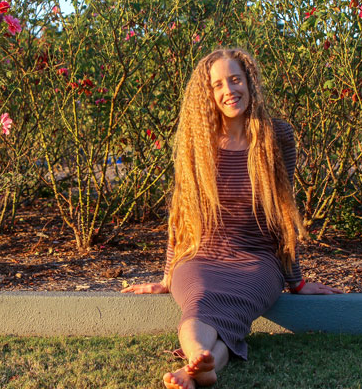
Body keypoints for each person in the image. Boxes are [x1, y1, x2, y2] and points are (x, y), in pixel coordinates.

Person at [121, 48, 342, 389]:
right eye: (218, 84)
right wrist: (167, 277)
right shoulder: (196, 143)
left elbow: (285, 212)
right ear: (207, 93)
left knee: (232, 312)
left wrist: (296, 280)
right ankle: (200, 364)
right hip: (200, 256)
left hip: (258, 260)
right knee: (200, 301)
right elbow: (180, 216)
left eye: (235, 79)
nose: (229, 90)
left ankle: (190, 370)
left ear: (249, 82)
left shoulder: (277, 136)